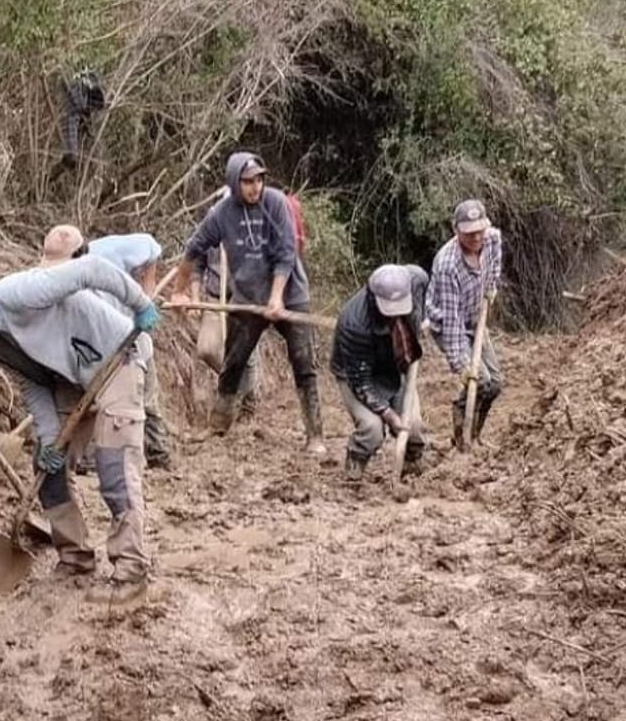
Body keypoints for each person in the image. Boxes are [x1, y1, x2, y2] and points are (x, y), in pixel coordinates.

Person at [0, 254, 160, 604]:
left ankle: (131, 571)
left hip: (118, 357)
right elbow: (33, 385)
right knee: (46, 465)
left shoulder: (17, 294)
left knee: (114, 466)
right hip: (72, 379)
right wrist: (50, 440)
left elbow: (91, 269)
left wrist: (139, 302)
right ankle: (75, 556)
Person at [171, 152, 326, 454]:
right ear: (234, 182)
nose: (255, 187)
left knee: (303, 362)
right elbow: (194, 249)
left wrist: (277, 298)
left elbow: (285, 253)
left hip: (290, 295)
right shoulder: (221, 213)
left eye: (258, 180)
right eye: (247, 182)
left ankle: (315, 434)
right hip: (247, 296)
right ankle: (218, 426)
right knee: (233, 362)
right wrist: (180, 291)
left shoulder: (276, 203)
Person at [41, 224, 172, 468]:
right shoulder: (59, 284)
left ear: (80, 256)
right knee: (96, 398)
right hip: (103, 340)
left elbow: (150, 246)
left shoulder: (111, 255)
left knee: (144, 395)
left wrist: (147, 293)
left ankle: (158, 453)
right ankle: (89, 459)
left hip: (131, 328)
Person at [331, 264, 429, 480]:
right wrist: (390, 415)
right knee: (372, 429)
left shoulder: (416, 280)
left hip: (394, 364)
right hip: (356, 374)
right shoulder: (353, 323)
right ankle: (355, 466)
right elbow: (361, 383)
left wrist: (421, 322)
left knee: (412, 426)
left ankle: (411, 467)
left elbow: (422, 298)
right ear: (372, 298)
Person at [426, 199, 503, 448]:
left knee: (495, 383)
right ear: (456, 230)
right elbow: (452, 323)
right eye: (469, 233)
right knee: (478, 379)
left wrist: (490, 288)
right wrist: (462, 365)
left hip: (474, 316)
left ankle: (476, 435)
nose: (476, 237)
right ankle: (462, 436)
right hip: (449, 322)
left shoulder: (492, 238)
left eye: (479, 230)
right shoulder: (448, 266)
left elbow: (495, 265)